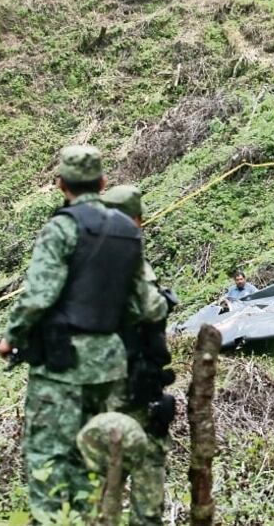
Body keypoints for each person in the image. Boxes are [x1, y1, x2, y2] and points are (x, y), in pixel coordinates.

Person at [0, 146, 166, 518]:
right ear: (103, 182)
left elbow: (39, 296)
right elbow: (145, 305)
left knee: (49, 457)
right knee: (96, 455)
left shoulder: (62, 227)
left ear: (61, 185)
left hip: (62, 364)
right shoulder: (127, 231)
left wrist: (11, 338)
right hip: (111, 366)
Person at [100, 185, 176, 526]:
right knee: (147, 461)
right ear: (136, 220)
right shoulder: (129, 260)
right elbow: (152, 308)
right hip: (131, 380)